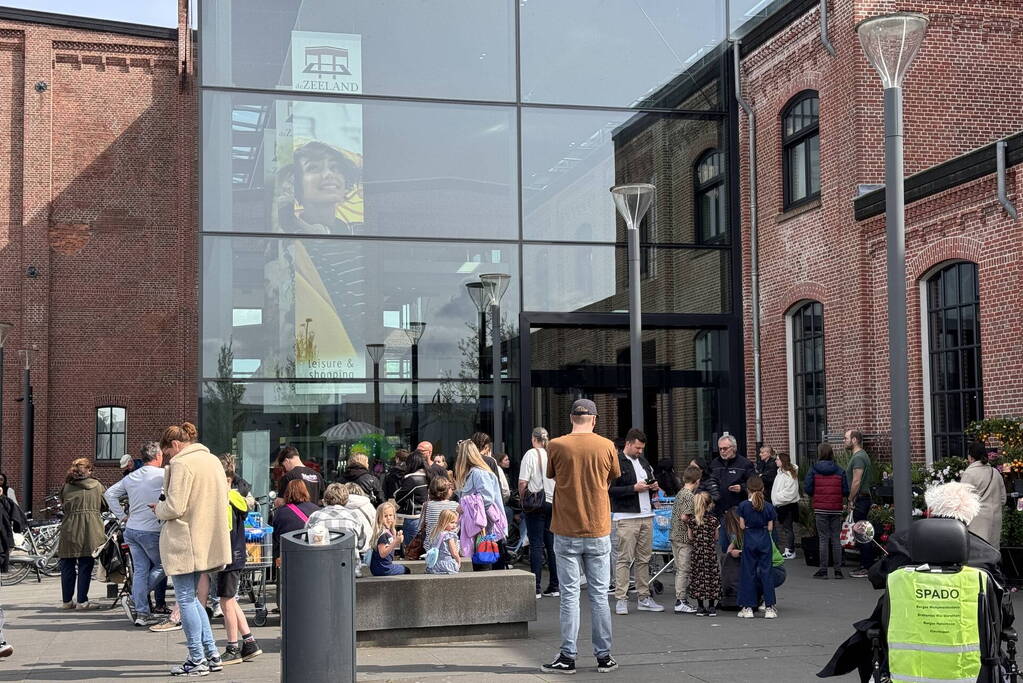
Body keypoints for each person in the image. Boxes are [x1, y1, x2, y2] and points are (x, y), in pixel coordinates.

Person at [820, 482, 1014, 681]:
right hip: (974, 670)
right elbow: (1002, 611)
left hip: (904, 669)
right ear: (969, 516)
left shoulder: (903, 544)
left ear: (930, 510)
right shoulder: (987, 555)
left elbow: (876, 577)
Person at [541, 399, 621, 675]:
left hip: (565, 527)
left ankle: (567, 655)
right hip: (598, 526)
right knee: (600, 596)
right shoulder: (607, 446)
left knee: (570, 596)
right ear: (595, 420)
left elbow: (552, 476)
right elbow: (611, 479)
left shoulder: (557, 445)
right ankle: (604, 656)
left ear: (571, 418)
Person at [153, 422, 231, 677]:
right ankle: (211, 654)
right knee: (196, 599)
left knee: (186, 599)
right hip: (207, 538)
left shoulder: (181, 464)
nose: (169, 458)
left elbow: (175, 506)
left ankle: (196, 658)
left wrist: (158, 510)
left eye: (168, 452)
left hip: (185, 540)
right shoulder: (212, 461)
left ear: (175, 445)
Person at [104, 441, 167, 626]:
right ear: (157, 457)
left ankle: (142, 613)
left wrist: (122, 516)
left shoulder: (131, 477)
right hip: (152, 530)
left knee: (140, 570)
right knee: (165, 565)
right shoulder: (163, 475)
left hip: (132, 529)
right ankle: (134, 599)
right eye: (162, 455)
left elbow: (109, 494)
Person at [609, 428, 664, 614]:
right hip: (626, 516)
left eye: (642, 448)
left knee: (644, 559)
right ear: (629, 443)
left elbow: (649, 482)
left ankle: (643, 596)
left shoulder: (643, 461)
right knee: (624, 558)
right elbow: (609, 490)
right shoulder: (616, 461)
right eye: (638, 448)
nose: (640, 451)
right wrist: (633, 488)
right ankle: (621, 598)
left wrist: (653, 485)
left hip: (646, 515)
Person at [216, 454, 262, 665]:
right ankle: (249, 642)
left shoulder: (223, 496)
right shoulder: (238, 496)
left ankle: (233, 647)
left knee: (226, 601)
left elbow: (224, 527)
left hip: (228, 553)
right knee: (230, 599)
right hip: (237, 552)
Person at [57, 457, 107, 610]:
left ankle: (67, 601)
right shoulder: (97, 486)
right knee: (85, 565)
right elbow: (105, 505)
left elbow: (62, 505)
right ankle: (82, 602)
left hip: (69, 529)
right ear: (89, 471)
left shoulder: (66, 487)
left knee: (67, 565)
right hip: (90, 529)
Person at [454, 439, 506, 571]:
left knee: (483, 561)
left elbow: (487, 498)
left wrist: (464, 505)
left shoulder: (478, 473)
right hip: (478, 526)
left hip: (483, 526)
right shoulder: (473, 473)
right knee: (480, 560)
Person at [519, 427, 558, 599]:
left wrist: (523, 499)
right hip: (552, 502)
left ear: (533, 439)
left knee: (535, 544)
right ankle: (555, 585)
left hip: (536, 503)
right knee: (552, 546)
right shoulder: (553, 454)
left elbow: (522, 482)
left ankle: (536, 587)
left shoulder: (531, 454)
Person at [804, 443, 849, 579]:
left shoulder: (814, 469)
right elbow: (845, 490)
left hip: (820, 508)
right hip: (835, 508)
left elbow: (808, 488)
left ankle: (823, 570)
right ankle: (838, 570)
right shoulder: (840, 470)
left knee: (823, 539)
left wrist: (816, 495)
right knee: (836, 539)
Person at [736, 476, 778, 619]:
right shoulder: (768, 506)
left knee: (748, 572)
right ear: (763, 489)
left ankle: (748, 607)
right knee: (766, 573)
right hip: (764, 538)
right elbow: (771, 527)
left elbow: (741, 526)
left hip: (749, 538)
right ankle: (769, 607)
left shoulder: (743, 506)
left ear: (748, 489)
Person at [709, 434, 754, 550]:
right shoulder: (715, 464)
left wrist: (742, 488)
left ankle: (741, 567)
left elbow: (754, 484)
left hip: (737, 512)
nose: (722, 452)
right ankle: (727, 567)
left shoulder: (744, 464)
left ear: (733, 448)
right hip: (720, 511)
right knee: (724, 546)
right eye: (720, 449)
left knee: (738, 545)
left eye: (725, 448)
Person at [961, 441, 1006, 550]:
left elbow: (962, 501)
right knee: (993, 551)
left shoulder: (969, 474)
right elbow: (1003, 499)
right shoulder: (995, 473)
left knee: (978, 553)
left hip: (976, 521)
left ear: (971, 457)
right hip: (995, 518)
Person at [669, 465, 702, 614]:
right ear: (697, 481)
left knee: (679, 568)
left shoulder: (680, 493)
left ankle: (680, 599)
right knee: (684, 569)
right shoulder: (689, 495)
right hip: (684, 537)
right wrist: (695, 525)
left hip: (675, 535)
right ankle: (681, 600)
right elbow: (685, 516)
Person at [844, 430, 875, 578]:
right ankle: (865, 565)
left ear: (854, 440)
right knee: (862, 532)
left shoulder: (858, 458)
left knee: (862, 533)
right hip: (862, 497)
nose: (844, 441)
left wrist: (851, 499)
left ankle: (866, 566)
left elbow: (856, 481)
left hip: (861, 499)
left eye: (846, 438)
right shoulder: (860, 456)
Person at [685, 491, 721, 617]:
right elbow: (716, 537)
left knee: (698, 579)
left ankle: (700, 607)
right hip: (710, 553)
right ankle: (711, 607)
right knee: (712, 578)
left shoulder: (692, 521)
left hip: (697, 554)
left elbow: (690, 537)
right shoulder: (713, 520)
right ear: (709, 504)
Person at [272, 480, 321, 564]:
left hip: (288, 555)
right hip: (311, 554)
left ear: (287, 492)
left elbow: (276, 536)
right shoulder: (316, 510)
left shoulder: (280, 512)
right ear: (305, 491)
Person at [306, 483, 367, 550]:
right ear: (346, 499)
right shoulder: (354, 515)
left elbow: (305, 539)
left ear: (326, 498)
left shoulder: (316, 516)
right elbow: (361, 543)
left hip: (322, 558)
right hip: (348, 558)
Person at [394, 451, 430, 548]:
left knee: (411, 552)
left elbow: (399, 498)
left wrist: (396, 493)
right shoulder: (429, 476)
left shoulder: (413, 479)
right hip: (428, 517)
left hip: (414, 518)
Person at [771, 452, 800, 560]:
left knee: (788, 528)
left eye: (777, 459)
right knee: (783, 528)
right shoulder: (780, 473)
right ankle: (787, 549)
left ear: (782, 461)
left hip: (788, 506)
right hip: (780, 505)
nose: (775, 461)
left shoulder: (789, 474)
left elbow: (791, 491)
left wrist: (777, 497)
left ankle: (790, 550)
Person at [370, 502, 409, 576]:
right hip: (383, 568)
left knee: (404, 569)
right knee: (406, 570)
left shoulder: (388, 531)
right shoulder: (383, 534)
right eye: (385, 516)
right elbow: (382, 553)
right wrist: (396, 542)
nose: (388, 518)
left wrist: (397, 537)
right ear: (379, 518)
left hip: (382, 567)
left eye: (390, 515)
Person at [421, 476, 458, 544]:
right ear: (448, 491)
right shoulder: (456, 505)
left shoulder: (427, 505)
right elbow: (457, 526)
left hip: (431, 545)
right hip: (450, 544)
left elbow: (421, 526)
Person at [426, 509, 461, 575]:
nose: (454, 525)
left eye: (456, 523)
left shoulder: (435, 533)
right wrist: (458, 560)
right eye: (452, 522)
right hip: (446, 565)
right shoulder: (449, 535)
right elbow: (454, 552)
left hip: (434, 565)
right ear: (444, 522)